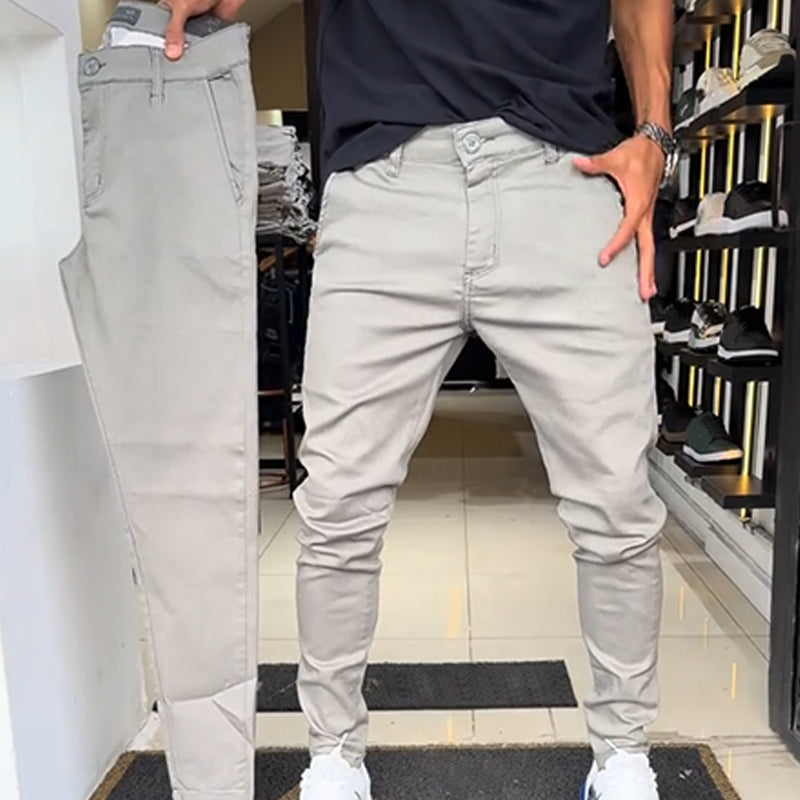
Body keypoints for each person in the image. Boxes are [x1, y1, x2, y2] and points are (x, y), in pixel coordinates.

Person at [166, 2, 673, 798]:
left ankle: (623, 758)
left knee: (618, 503)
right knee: (338, 504)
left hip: (563, 175)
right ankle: (334, 760)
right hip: (384, 181)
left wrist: (656, 134)